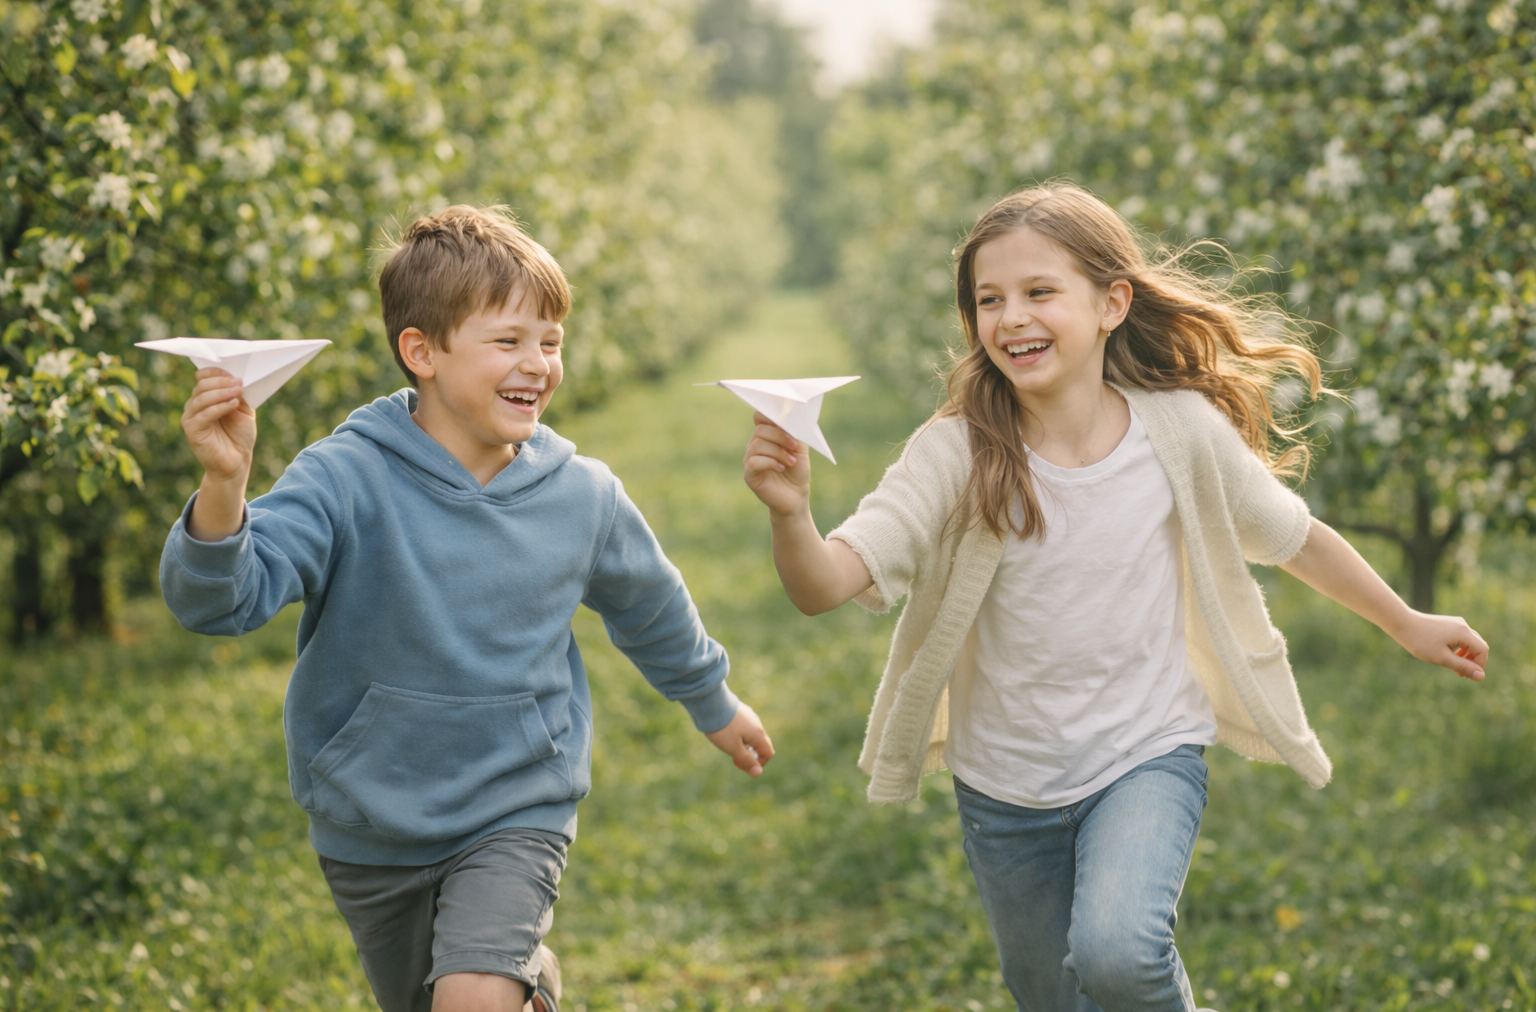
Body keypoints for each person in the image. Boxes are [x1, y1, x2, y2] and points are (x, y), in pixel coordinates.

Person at [740, 183, 1486, 1012]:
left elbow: (1295, 536)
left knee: (1117, 958)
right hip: (1005, 786)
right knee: (1051, 995)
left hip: (1147, 752)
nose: (1012, 317)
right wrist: (792, 515)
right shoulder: (956, 451)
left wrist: (1405, 620)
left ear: (1112, 303)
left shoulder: (1180, 432)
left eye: (1039, 292)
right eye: (990, 300)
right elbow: (827, 583)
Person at [161, 205, 773, 1012]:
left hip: (516, 803)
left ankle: (506, 982)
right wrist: (224, 487)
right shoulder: (345, 478)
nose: (540, 364)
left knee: (473, 999)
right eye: (509, 340)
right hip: (371, 818)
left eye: (551, 341)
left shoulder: (582, 495)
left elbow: (651, 608)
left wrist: (711, 700)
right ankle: (533, 987)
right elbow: (224, 603)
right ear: (422, 353)